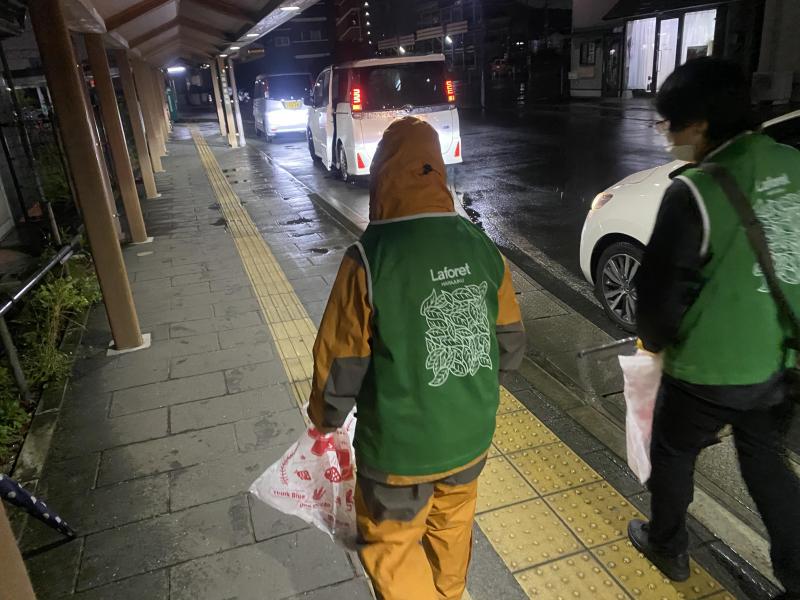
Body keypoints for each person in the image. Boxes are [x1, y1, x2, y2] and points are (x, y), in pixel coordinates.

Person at [307, 117, 525, 600]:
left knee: (393, 545)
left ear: (383, 177)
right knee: (451, 530)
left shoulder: (369, 258)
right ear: (437, 173)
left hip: (398, 454)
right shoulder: (481, 247)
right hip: (470, 439)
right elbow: (510, 348)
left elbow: (340, 361)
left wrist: (325, 418)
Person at [630, 57, 800, 599]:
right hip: (783, 355)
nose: (668, 136)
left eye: (669, 124)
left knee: (674, 451)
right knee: (765, 461)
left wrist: (653, 344)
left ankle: (667, 545)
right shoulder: (794, 164)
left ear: (699, 124)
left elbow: (657, 301)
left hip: (710, 367)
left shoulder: (693, 193)